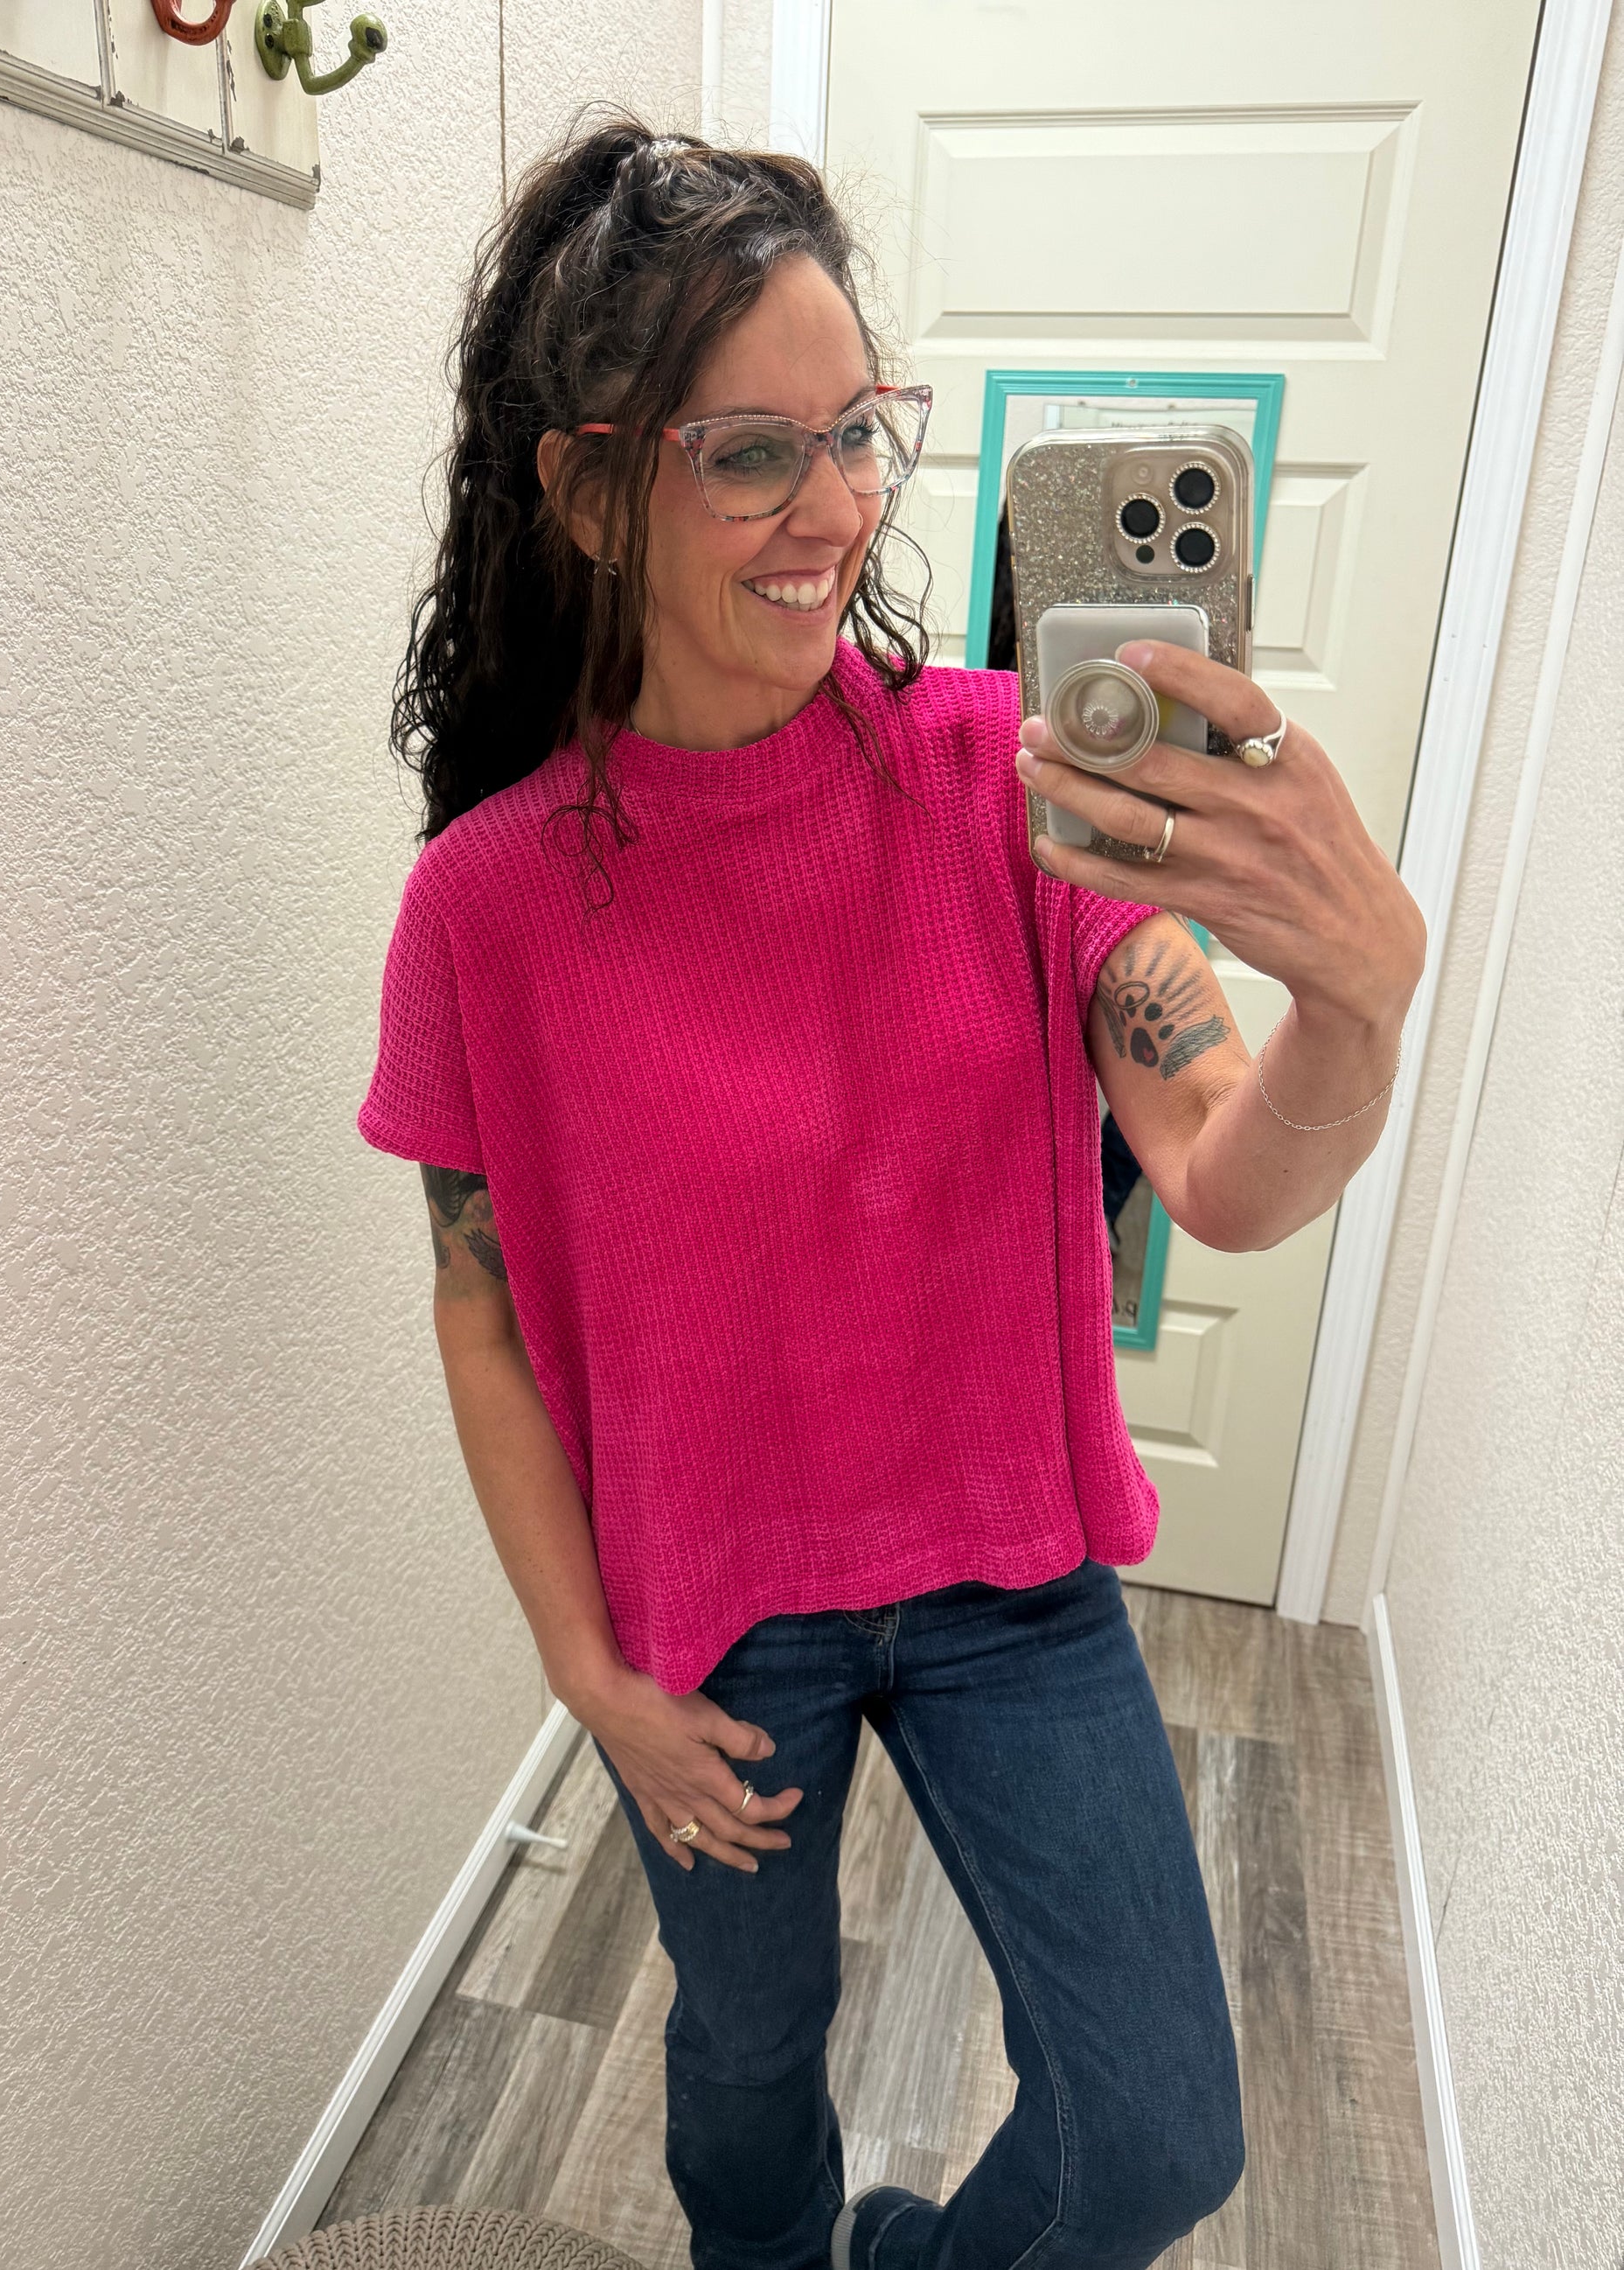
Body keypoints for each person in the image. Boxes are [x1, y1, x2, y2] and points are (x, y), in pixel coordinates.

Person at [356, 117, 1425, 2270]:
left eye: (860, 431)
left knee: (1156, 2132)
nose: (839, 507)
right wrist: (584, 1669)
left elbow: (1218, 1165)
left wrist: (1357, 1007)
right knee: (749, 2062)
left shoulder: (1015, 780)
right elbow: (480, 1310)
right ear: (588, 492)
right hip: (714, 1616)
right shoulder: (484, 908)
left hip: (1005, 1571)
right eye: (753, 452)